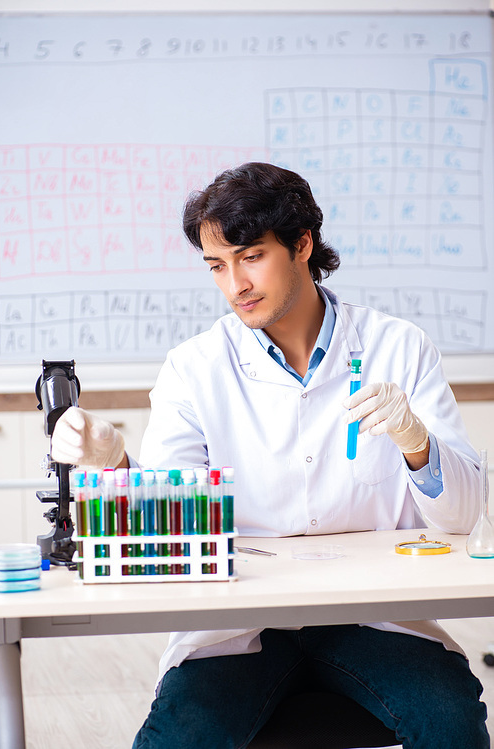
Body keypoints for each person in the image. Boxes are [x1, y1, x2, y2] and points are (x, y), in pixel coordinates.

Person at [51, 162, 489, 748]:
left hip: (376, 617)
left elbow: (462, 518)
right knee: (180, 737)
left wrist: (417, 445)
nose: (236, 285)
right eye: (217, 266)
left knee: (450, 723)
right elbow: (161, 538)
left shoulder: (398, 347)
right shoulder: (194, 368)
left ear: (302, 244)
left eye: (251, 256)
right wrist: (116, 466)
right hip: (238, 627)